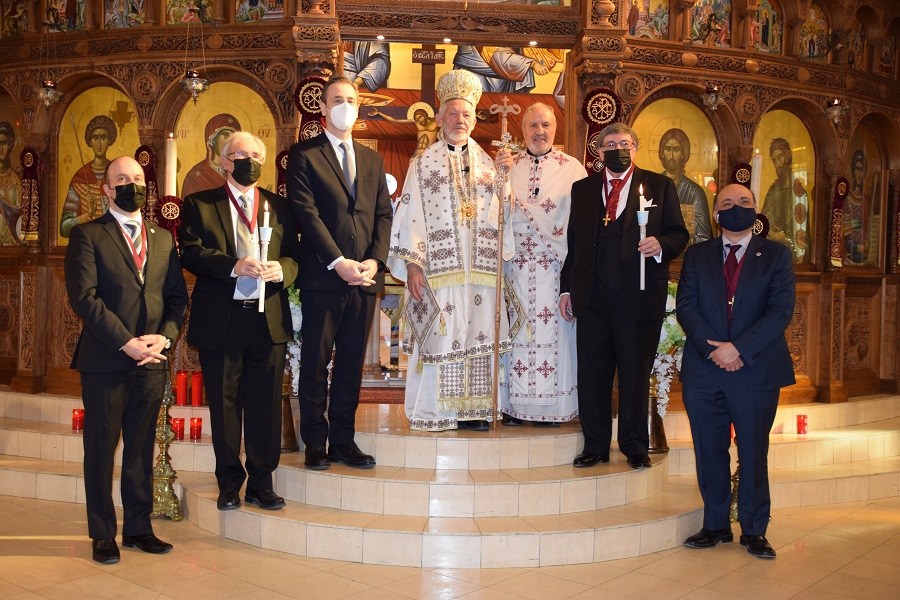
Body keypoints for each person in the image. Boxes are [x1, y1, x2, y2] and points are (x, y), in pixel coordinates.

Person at [64, 156, 188, 564]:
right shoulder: (88, 235)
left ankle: (138, 528)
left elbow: (176, 299)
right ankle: (102, 534)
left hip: (151, 359)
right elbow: (85, 298)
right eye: (121, 179)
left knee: (140, 448)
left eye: (136, 179)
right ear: (106, 188)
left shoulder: (164, 239)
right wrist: (126, 342)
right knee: (100, 449)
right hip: (106, 359)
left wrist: (163, 339)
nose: (130, 185)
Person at [179, 131, 301, 511]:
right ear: (224, 161)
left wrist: (281, 269)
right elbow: (192, 253)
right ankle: (229, 483)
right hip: (223, 319)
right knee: (225, 405)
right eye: (239, 154)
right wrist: (234, 265)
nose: (247, 161)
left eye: (254, 155)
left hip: (269, 320)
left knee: (266, 405)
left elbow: (296, 257)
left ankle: (262, 483)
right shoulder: (200, 204)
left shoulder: (280, 207)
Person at [387, 69, 511, 432]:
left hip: (481, 275)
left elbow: (503, 218)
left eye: (467, 114)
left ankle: (474, 411)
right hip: (439, 273)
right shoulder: (422, 164)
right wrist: (412, 267)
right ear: (440, 118)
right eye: (453, 113)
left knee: (480, 335)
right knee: (444, 334)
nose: (460, 120)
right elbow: (410, 215)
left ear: (475, 119)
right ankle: (436, 411)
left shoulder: (490, 164)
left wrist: (505, 181)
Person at [559, 123, 688, 469]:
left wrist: (660, 244)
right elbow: (576, 244)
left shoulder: (659, 186)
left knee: (633, 374)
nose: (617, 148)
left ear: (635, 147)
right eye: (610, 144)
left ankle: (634, 446)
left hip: (638, 296)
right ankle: (596, 445)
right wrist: (567, 288)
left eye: (624, 143)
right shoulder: (583, 189)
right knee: (593, 375)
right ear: (599, 152)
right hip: (592, 297)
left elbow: (680, 233)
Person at [677, 183, 795, 559]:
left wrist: (739, 349)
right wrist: (716, 352)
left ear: (756, 210)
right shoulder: (696, 256)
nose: (736, 208)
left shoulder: (777, 255)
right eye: (727, 203)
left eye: (744, 202)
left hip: (756, 370)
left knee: (753, 450)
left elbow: (780, 311)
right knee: (709, 451)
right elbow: (687, 307)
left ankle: (755, 529)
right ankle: (715, 525)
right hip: (705, 369)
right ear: (715, 214)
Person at [288, 76, 393, 469]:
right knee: (315, 362)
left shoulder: (372, 158)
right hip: (323, 276)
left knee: (351, 363)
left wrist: (374, 261)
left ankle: (343, 440)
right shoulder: (304, 155)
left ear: (359, 107)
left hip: (364, 279)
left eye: (351, 99)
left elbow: (383, 213)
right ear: (323, 107)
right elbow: (306, 214)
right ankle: (315, 440)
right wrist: (338, 261)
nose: (344, 105)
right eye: (337, 99)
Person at [499, 102, 586, 426]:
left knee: (557, 338)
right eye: (533, 125)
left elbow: (579, 223)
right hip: (516, 268)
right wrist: (500, 178)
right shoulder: (510, 165)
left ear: (555, 129)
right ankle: (514, 408)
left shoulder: (572, 168)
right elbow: (495, 214)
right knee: (516, 334)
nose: (539, 132)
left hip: (554, 270)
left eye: (545, 125)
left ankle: (553, 411)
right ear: (523, 130)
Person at [60, 115, 117, 238]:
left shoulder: (116, 174)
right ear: (89, 141)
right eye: (95, 138)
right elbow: (64, 228)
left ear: (110, 140)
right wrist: (87, 215)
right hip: (87, 245)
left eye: (104, 137)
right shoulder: (80, 179)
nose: (99, 143)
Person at [658, 128, 711, 244]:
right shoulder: (652, 187)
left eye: (676, 150)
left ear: (683, 154)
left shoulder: (694, 192)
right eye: (667, 149)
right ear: (662, 153)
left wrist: (681, 240)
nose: (671, 156)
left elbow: (704, 237)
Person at [761, 137, 808, 261]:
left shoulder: (798, 193)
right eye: (774, 160)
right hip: (770, 253)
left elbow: (803, 236)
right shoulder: (773, 191)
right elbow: (764, 221)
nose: (777, 164)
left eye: (780, 158)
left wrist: (785, 239)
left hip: (789, 257)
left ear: (787, 157)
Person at [181, 113, 241, 198]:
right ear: (212, 141)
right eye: (226, 136)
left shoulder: (241, 172)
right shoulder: (196, 176)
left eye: (234, 137)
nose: (230, 142)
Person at [368, 104, 438, 158]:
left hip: (430, 152)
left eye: (420, 117)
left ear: (425, 115)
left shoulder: (436, 122)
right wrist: (379, 113)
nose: (419, 120)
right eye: (417, 118)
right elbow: (394, 120)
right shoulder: (416, 122)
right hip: (418, 152)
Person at [842, 150, 870, 265]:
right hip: (850, 260)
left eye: (861, 170)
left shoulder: (866, 201)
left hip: (866, 260)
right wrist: (862, 248)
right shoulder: (848, 201)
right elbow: (847, 242)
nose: (859, 173)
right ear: (853, 171)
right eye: (857, 169)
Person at [0, 121, 22, 245]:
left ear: (11, 145)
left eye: (4, 143)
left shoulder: (16, 179)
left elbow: (20, 213)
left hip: (12, 241)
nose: (0, 148)